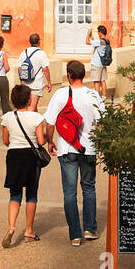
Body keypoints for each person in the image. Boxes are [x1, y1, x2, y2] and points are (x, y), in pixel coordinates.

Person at [44, 60, 105, 246]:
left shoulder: (60, 94)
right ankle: (89, 228)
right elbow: (103, 120)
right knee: (89, 187)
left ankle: (75, 235)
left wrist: (50, 141)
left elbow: (50, 122)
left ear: (69, 75)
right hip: (89, 148)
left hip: (67, 148)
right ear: (84, 75)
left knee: (69, 192)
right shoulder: (93, 95)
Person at [0, 83, 46, 248]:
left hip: (14, 156)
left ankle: (11, 226)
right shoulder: (36, 118)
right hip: (30, 157)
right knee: (31, 194)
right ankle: (28, 231)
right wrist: (47, 138)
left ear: (13, 101)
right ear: (29, 100)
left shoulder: (7, 117)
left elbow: (5, 140)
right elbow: (41, 141)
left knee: (15, 194)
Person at [15, 33, 52, 109]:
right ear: (39, 42)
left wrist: (21, 80)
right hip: (36, 84)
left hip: (25, 83)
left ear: (30, 42)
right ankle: (27, 121)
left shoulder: (24, 52)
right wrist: (49, 82)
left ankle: (38, 121)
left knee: (33, 107)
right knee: (32, 107)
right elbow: (45, 69)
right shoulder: (41, 53)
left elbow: (19, 68)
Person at [85, 24, 111, 98]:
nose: (98, 34)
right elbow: (94, 42)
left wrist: (87, 34)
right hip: (103, 64)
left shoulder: (99, 42)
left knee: (96, 81)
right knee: (103, 81)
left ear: (100, 32)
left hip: (97, 64)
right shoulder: (106, 41)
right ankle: (104, 96)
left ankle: (97, 98)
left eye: (98, 32)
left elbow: (87, 42)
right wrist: (91, 36)